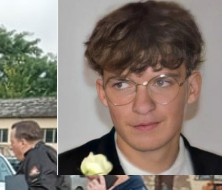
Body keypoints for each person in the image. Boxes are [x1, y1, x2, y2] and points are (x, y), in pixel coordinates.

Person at [58, 1, 222, 175]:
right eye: (122, 84)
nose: (143, 106)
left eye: (161, 82)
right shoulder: (60, 171)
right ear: (103, 93)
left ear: (192, 88)